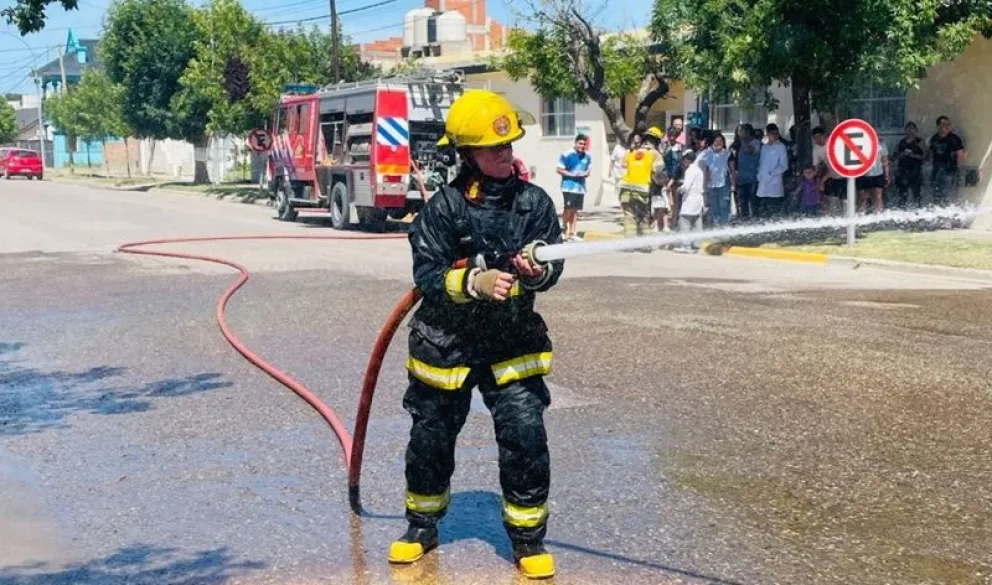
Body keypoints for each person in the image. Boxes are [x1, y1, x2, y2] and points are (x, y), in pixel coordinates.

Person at [390, 89, 565, 580]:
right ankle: (421, 527)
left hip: (512, 343)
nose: (505, 154)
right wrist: (473, 283)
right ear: (468, 154)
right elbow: (427, 275)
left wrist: (538, 271)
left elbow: (554, 263)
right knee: (431, 438)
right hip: (447, 345)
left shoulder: (534, 203)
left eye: (508, 145)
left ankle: (528, 539)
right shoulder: (443, 209)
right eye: (493, 148)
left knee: (525, 437)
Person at [618, 132, 658, 245]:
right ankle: (646, 243)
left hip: (626, 187)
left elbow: (624, 165)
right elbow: (658, 170)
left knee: (629, 216)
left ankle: (630, 243)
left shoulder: (628, 153)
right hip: (642, 188)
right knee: (643, 215)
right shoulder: (652, 153)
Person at [557, 134, 592, 241]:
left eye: (584, 144)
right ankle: (563, 230)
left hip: (580, 187)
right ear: (575, 143)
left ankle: (572, 233)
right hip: (568, 187)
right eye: (580, 143)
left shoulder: (587, 156)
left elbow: (588, 171)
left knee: (575, 210)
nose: (582, 146)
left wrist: (585, 174)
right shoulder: (567, 154)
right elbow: (559, 169)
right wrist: (572, 174)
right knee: (568, 209)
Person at [928, 115, 967, 206]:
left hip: (950, 171)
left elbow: (960, 154)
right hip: (937, 171)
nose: (947, 126)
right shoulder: (934, 138)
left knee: (949, 196)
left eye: (948, 124)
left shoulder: (954, 139)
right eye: (944, 124)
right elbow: (931, 154)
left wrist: (958, 168)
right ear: (938, 126)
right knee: (936, 195)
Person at [755, 123, 789, 219]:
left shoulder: (781, 147)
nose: (775, 136)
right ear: (768, 134)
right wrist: (759, 174)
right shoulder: (764, 147)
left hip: (774, 181)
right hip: (763, 181)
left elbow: (784, 166)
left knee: (774, 207)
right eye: (772, 133)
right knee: (764, 207)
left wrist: (771, 174)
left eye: (776, 133)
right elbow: (761, 162)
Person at [675, 149, 705, 252]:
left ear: (687, 160)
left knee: (684, 221)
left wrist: (679, 189)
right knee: (697, 223)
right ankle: (697, 246)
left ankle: (685, 245)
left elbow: (686, 186)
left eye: (684, 159)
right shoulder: (699, 170)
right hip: (698, 200)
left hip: (690, 199)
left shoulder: (690, 171)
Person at [730, 123, 760, 221]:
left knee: (754, 203)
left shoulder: (756, 142)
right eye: (739, 131)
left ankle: (756, 221)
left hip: (753, 178)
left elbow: (750, 151)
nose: (740, 133)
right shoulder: (738, 144)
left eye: (742, 131)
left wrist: (743, 141)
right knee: (742, 203)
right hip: (741, 179)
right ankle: (744, 221)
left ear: (748, 132)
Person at [701, 133, 733, 225]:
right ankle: (716, 226)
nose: (718, 143)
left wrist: (733, 184)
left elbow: (732, 171)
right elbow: (706, 170)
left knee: (724, 206)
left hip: (724, 184)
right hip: (712, 185)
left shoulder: (727, 154)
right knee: (714, 207)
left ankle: (725, 225)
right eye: (716, 141)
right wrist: (705, 186)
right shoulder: (708, 154)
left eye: (720, 141)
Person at [644, 126, 671, 232]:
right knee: (660, 205)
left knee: (649, 205)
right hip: (655, 183)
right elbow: (659, 171)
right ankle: (658, 226)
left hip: (642, 183)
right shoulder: (655, 153)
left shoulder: (640, 151)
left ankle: (650, 225)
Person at [894, 122, 925, 208]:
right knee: (902, 194)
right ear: (905, 130)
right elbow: (895, 155)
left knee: (917, 194)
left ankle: (918, 210)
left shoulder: (920, 142)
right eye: (908, 128)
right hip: (903, 171)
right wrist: (903, 154)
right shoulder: (901, 142)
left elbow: (925, 156)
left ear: (916, 130)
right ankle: (901, 209)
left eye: (912, 128)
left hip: (916, 170)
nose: (910, 130)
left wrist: (913, 155)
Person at [856, 140, 890, 214]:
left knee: (878, 196)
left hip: (878, 173)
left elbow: (885, 160)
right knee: (862, 197)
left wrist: (887, 175)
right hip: (862, 174)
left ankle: (879, 214)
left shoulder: (881, 144)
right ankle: (861, 214)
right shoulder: (860, 141)